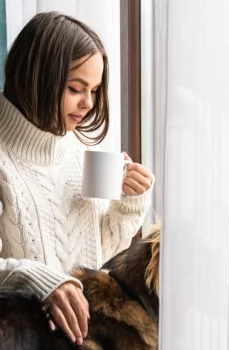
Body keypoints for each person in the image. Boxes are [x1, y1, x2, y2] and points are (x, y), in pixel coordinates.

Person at [0, 11, 154, 346]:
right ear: (36, 76)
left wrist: (129, 202)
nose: (88, 103)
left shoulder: (75, 151)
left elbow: (99, 251)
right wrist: (41, 280)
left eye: (95, 90)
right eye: (75, 88)